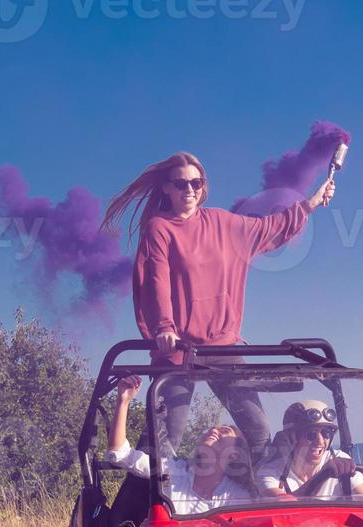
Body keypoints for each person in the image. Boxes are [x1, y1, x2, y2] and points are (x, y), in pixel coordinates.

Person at [100, 152, 336, 451]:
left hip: (223, 345)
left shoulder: (223, 223)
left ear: (203, 187)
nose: (189, 190)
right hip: (177, 348)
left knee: (259, 431)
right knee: (166, 438)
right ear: (166, 188)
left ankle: (255, 493)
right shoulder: (160, 228)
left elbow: (269, 228)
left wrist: (311, 204)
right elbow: (156, 278)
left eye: (195, 183)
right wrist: (163, 327)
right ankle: (140, 498)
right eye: (181, 183)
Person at [107, 376, 254, 515]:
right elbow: (120, 454)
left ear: (235, 453)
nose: (214, 430)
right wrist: (123, 401)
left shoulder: (238, 497)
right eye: (211, 429)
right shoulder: (173, 470)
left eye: (224, 431)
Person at [258, 400, 363, 500]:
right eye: (311, 434)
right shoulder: (270, 473)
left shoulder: (340, 460)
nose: (320, 441)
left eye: (326, 433)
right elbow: (285, 508)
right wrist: (322, 475)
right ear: (291, 438)